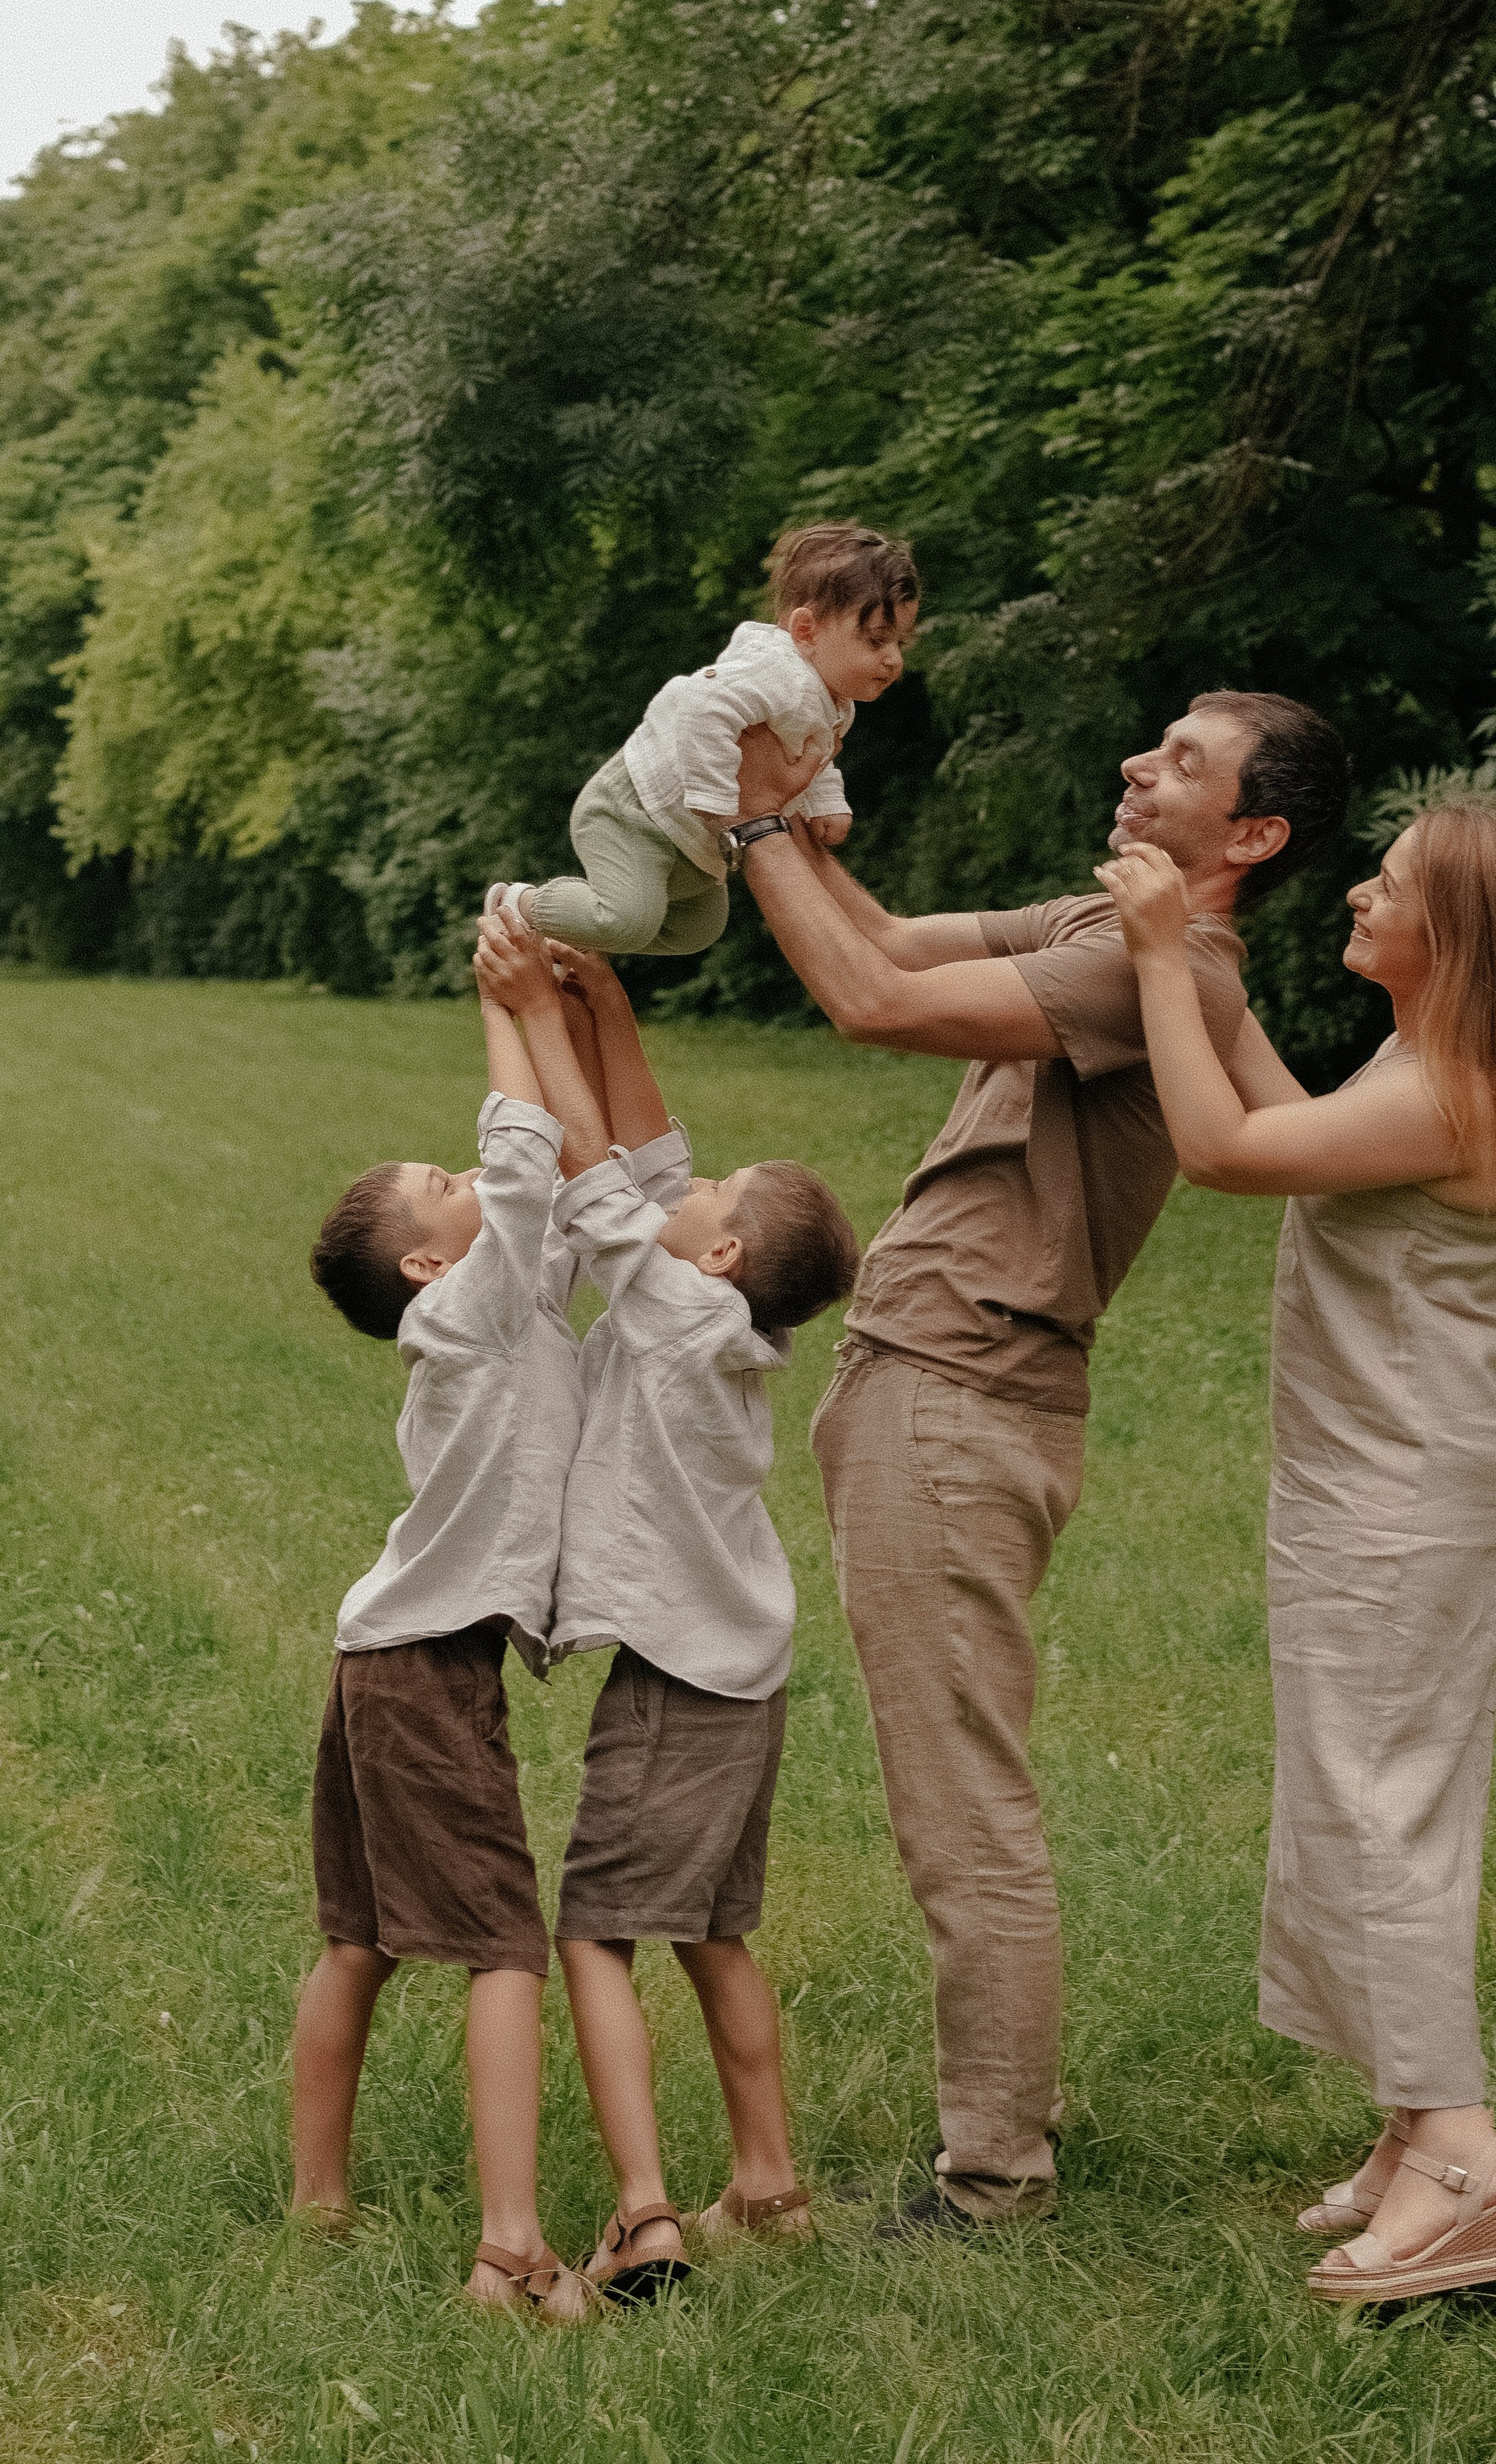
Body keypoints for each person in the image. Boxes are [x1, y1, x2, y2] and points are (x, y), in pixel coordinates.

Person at [721, 691, 1351, 2233]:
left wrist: (742, 822)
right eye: (1153, 742)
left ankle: (995, 2175)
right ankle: (1004, 2122)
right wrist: (792, 812)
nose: (1139, 763)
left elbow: (866, 1002)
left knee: (962, 1806)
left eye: (1185, 765)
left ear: (1252, 838)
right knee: (957, 1788)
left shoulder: (1171, 974)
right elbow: (885, 934)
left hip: (959, 1401)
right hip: (927, 1384)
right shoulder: (1102, 922)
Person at [1097, 799, 1496, 2302]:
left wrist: (1157, 957)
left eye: (1387, 884)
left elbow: (1223, 1152)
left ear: (1451, 938)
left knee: (1381, 1806)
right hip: (1387, 1483)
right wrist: (1215, 978)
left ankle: (1468, 2167)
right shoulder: (1427, 1061)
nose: (1357, 887)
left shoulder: (1455, 1085)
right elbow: (1291, 1128)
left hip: (1407, 1500)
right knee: (1364, 1796)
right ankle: (1414, 2130)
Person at [500, 920, 859, 2300]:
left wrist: (535, 1014)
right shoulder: (715, 1313)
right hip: (740, 1674)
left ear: (719, 1258)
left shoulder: (682, 1317)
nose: (690, 1186)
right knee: (715, 1931)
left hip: (680, 1683)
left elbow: (598, 1187)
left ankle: (646, 2214)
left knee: (594, 1929)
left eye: (718, 1194)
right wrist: (607, 1012)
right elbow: (646, 1169)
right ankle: (765, 2182)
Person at [294, 919, 611, 2322]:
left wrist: (571, 1019)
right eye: (443, 1182)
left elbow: (566, 1185)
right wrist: (504, 1002)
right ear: (425, 1267)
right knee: (500, 1946)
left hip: (389, 1659)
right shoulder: (460, 1319)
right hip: (420, 1674)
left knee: (361, 1936)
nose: (469, 1172)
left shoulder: (508, 1298)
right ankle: (507, 2250)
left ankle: (318, 2202)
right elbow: (530, 1160)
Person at [484, 522, 919, 960]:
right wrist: (713, 792)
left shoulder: (834, 701)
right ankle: (518, 904)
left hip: (693, 845)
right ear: (806, 631)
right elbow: (702, 705)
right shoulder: (777, 671)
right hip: (637, 811)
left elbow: (816, 753)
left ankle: (572, 932)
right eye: (876, 640)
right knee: (628, 924)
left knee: (697, 931)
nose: (893, 660)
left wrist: (827, 802)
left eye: (900, 642)